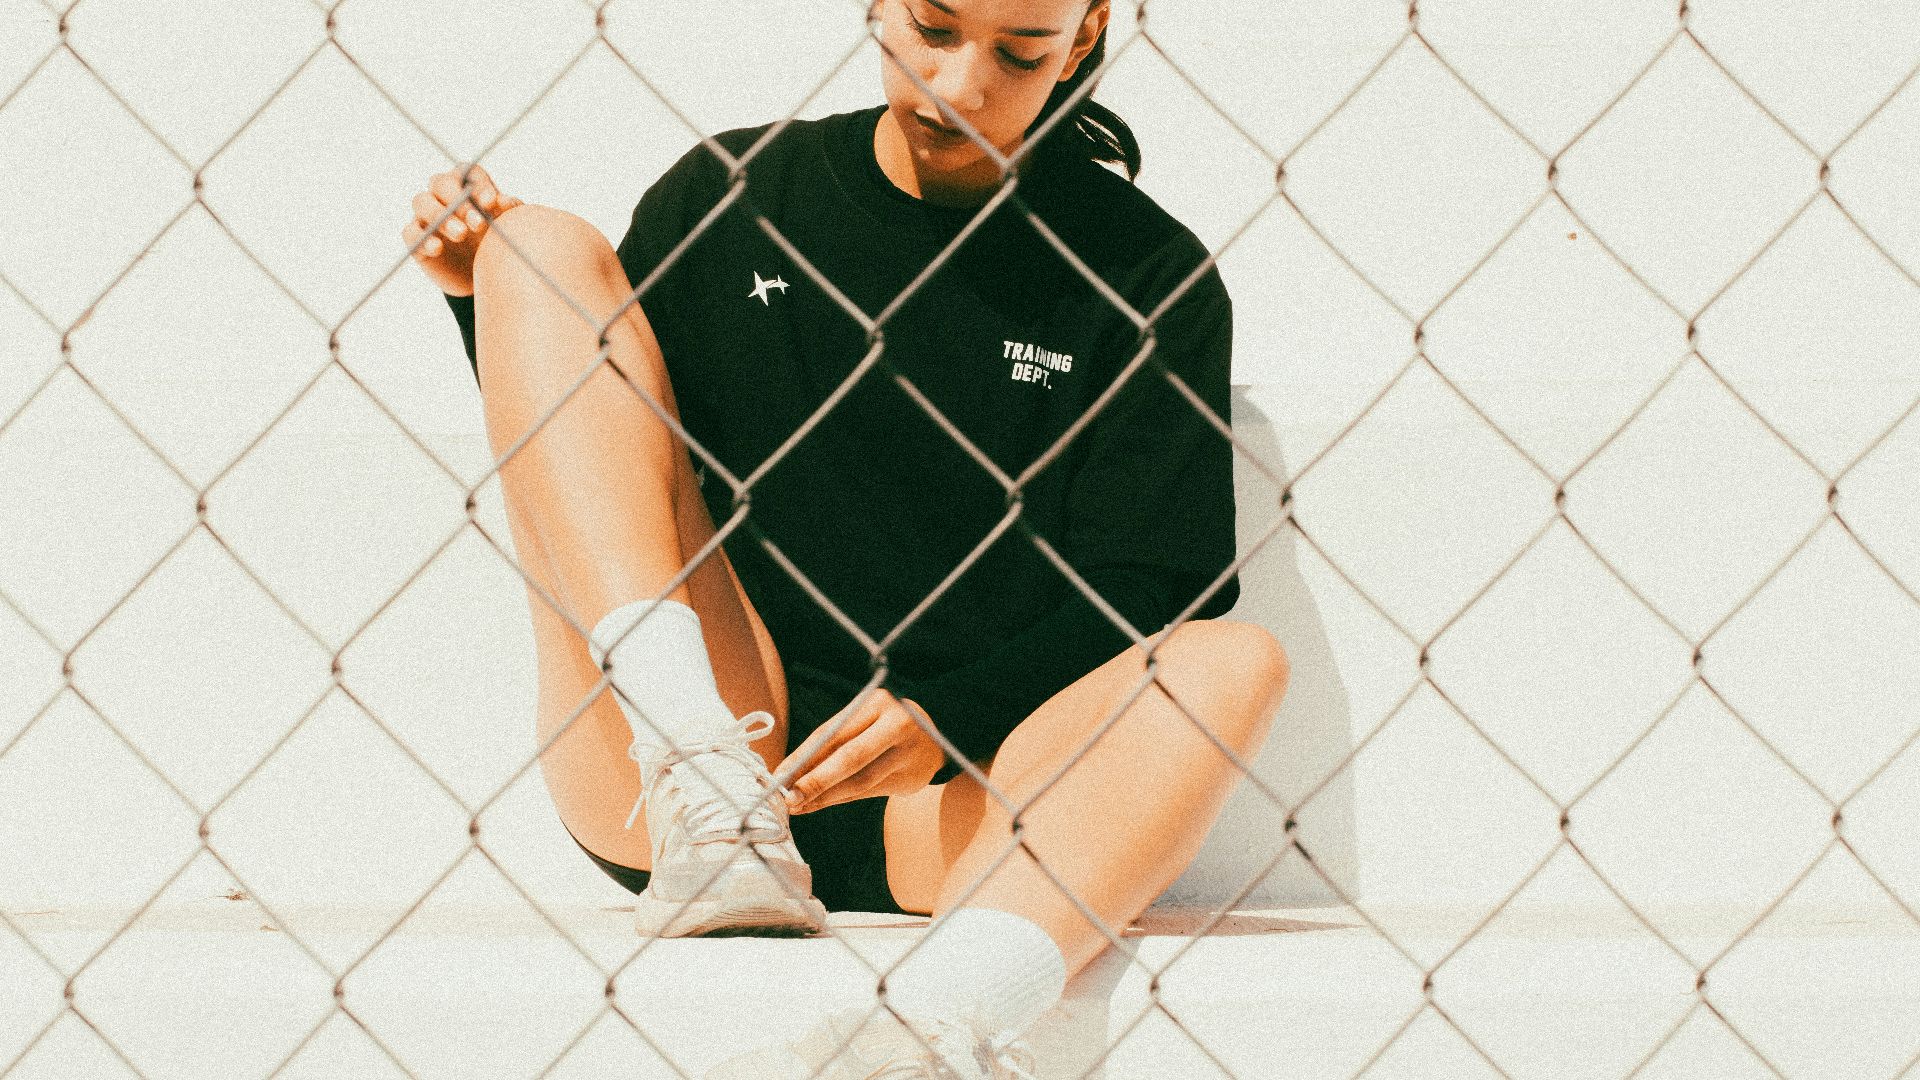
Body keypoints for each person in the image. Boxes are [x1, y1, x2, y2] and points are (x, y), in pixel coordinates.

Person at [402, 0, 1289, 1075]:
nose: (963, 87)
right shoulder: (731, 195)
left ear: (1085, 35)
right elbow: (605, 475)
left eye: (1020, 53)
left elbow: (1159, 579)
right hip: (687, 766)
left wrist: (951, 716)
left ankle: (927, 1033)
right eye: (933, 28)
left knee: (1232, 660)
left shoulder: (1144, 274)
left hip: (953, 799)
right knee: (535, 246)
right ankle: (707, 784)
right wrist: (484, 297)